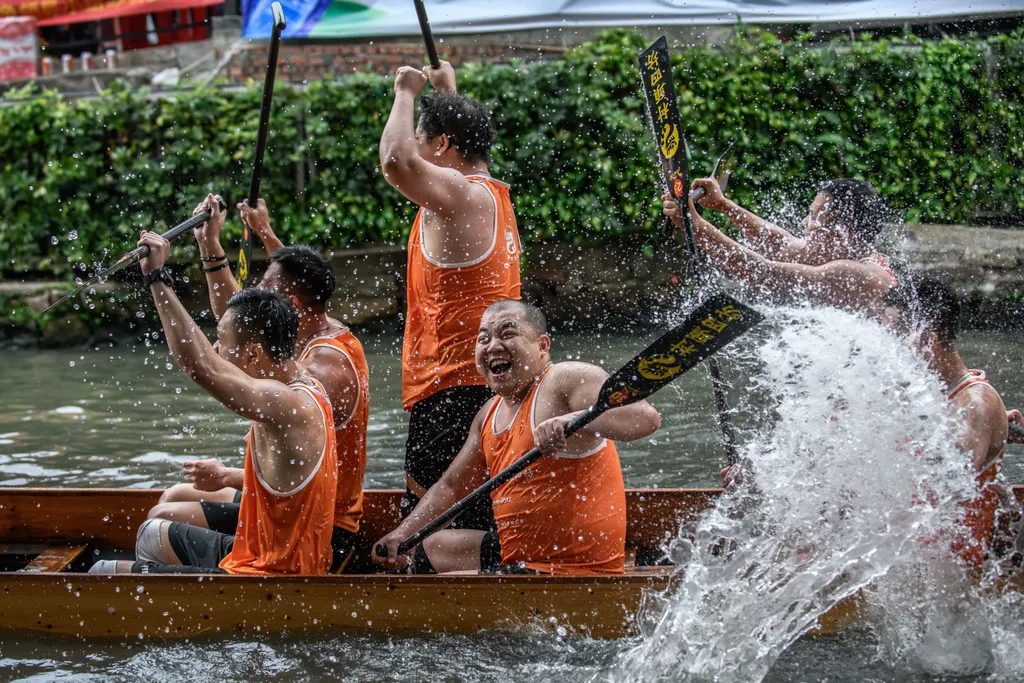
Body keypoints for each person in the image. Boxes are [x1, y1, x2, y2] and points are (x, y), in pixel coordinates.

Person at [90, 232, 337, 574]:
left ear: (253, 353)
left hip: (275, 573)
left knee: (100, 572)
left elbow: (202, 366)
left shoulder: (288, 403)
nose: (217, 352)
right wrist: (210, 245)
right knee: (152, 532)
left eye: (221, 343)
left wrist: (157, 279)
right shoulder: (301, 380)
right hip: (268, 548)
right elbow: (225, 340)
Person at [147, 196, 369, 573]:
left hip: (320, 522)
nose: (258, 296)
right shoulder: (304, 335)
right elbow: (241, 325)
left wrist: (157, 278)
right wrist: (213, 245)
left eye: (269, 291)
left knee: (162, 516)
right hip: (292, 496)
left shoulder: (322, 367)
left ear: (291, 306)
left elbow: (222, 358)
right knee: (174, 495)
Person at [373, 300, 661, 575]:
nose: (493, 346)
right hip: (518, 557)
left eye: (508, 333)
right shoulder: (488, 413)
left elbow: (645, 417)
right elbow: (452, 488)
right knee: (429, 546)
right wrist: (402, 533)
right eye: (483, 339)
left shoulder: (566, 379)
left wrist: (574, 421)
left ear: (542, 346)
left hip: (571, 568)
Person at [379, 60, 522, 529]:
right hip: (488, 384)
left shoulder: (461, 195)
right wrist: (448, 94)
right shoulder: (490, 192)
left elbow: (396, 161)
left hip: (451, 388)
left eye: (424, 139)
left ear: (441, 145)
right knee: (476, 513)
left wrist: (405, 92)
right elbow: (459, 158)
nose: (416, 147)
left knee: (434, 534)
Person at [890, 277, 1009, 570]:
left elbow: (955, 476)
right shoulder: (943, 396)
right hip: (907, 558)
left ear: (927, 340)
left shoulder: (975, 404)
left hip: (944, 573)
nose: (885, 348)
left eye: (892, 335)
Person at [663, 178, 896, 316]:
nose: (805, 223)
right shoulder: (844, 253)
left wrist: (696, 226)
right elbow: (778, 242)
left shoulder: (856, 274)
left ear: (842, 233)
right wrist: (723, 205)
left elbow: (762, 273)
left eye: (815, 217)